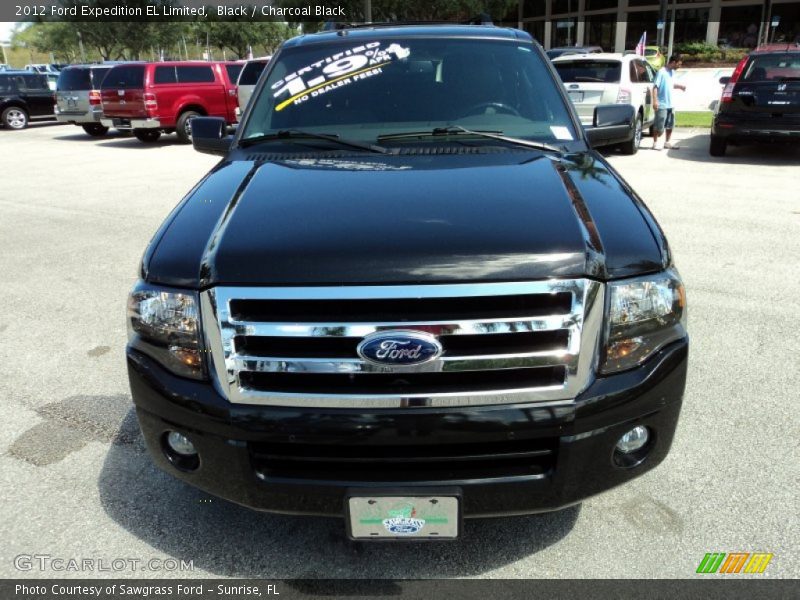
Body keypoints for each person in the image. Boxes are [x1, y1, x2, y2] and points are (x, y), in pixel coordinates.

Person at [652, 55, 686, 151]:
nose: (679, 66)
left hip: (671, 104)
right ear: (673, 62)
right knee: (659, 126)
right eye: (679, 64)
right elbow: (655, 87)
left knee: (670, 125)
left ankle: (667, 143)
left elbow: (670, 84)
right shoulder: (661, 72)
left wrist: (680, 86)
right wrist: (655, 101)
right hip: (662, 104)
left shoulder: (672, 72)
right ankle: (655, 143)